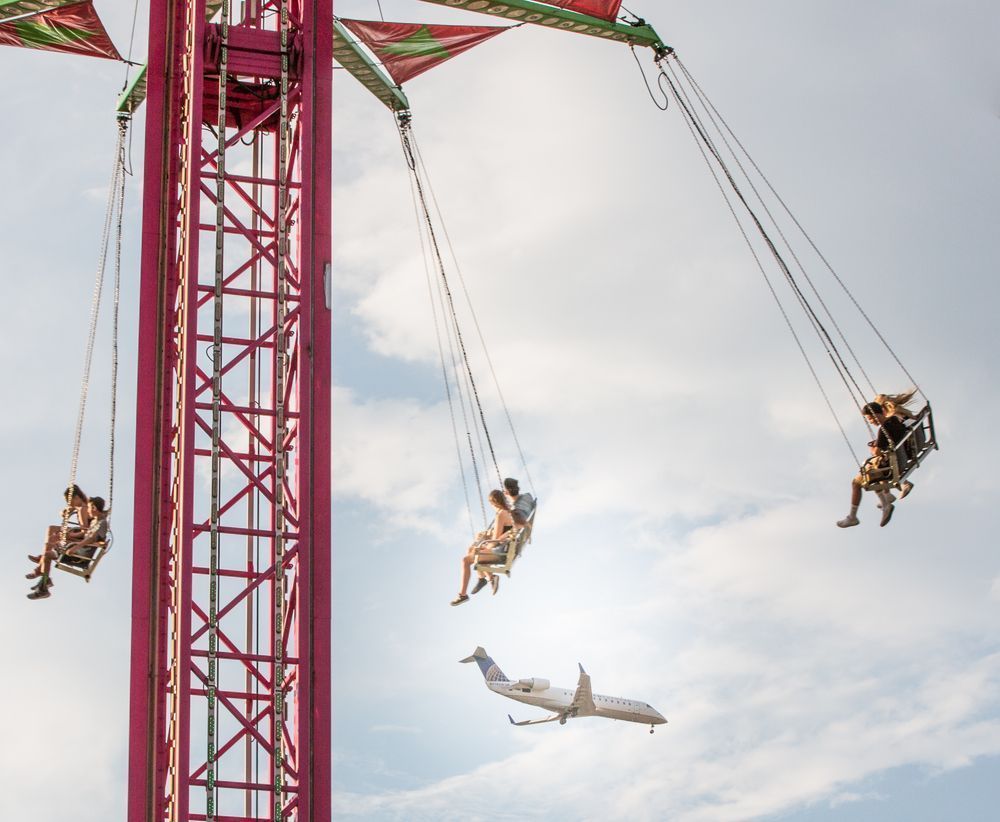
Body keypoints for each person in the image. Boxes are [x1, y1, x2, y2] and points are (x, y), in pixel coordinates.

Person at [836, 403, 910, 529]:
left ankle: (853, 517)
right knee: (871, 473)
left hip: (891, 467)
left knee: (857, 482)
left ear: (875, 415)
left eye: (870, 419)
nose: (870, 422)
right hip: (901, 459)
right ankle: (885, 501)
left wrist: (874, 448)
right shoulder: (895, 420)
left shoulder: (884, 430)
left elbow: (877, 452)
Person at [27, 496, 109, 600]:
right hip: (77, 549)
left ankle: (43, 584)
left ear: (94, 508)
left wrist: (74, 547)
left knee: (48, 553)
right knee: (51, 544)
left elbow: (91, 539)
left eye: (88, 508)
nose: (87, 511)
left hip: (80, 554)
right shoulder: (95, 521)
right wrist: (67, 537)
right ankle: (44, 584)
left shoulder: (102, 523)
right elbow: (87, 537)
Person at [451, 490, 513, 606]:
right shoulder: (508, 512)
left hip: (500, 551)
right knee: (471, 549)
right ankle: (483, 578)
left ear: (494, 503)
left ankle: (464, 594)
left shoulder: (501, 514)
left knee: (466, 560)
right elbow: (503, 532)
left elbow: (495, 541)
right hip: (505, 547)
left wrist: (484, 544)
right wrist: (487, 535)